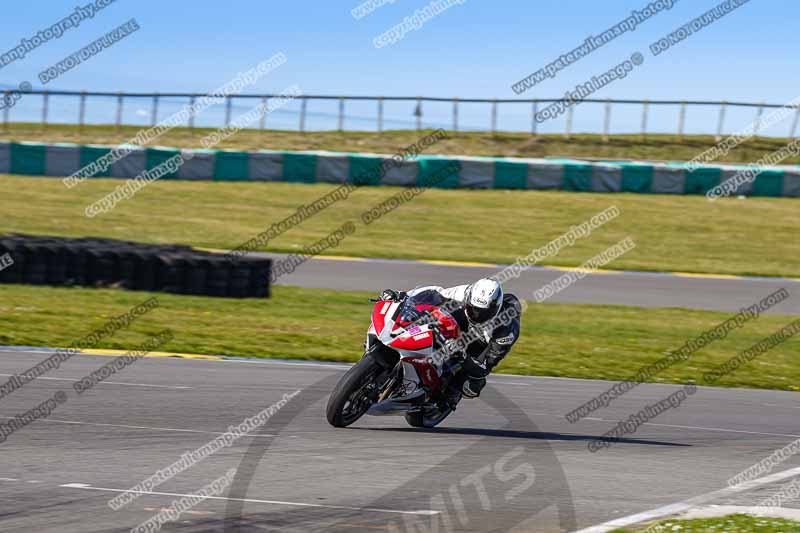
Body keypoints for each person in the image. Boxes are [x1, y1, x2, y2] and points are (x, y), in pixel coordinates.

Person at [379, 278, 521, 409]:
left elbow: (486, 365)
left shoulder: (505, 331)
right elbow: (433, 293)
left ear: (494, 310)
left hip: (478, 344)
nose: (476, 315)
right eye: (473, 309)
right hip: (457, 324)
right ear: (469, 299)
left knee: (472, 385)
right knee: (426, 314)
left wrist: (463, 356)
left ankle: (446, 399)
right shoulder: (463, 293)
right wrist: (402, 296)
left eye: (481, 313)